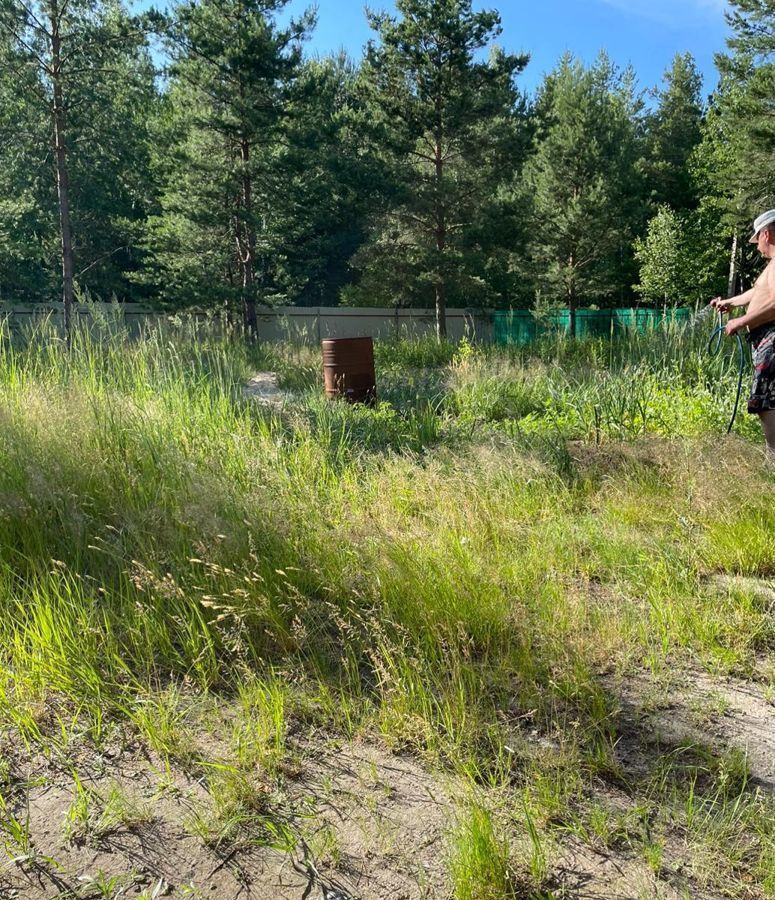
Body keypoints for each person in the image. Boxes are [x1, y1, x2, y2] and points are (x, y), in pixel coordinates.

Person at [711, 209, 775, 451]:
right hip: (765, 338)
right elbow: (758, 294)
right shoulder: (772, 266)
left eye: (757, 238)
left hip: (771, 338)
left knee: (766, 402)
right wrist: (731, 302)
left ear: (766, 235)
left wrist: (739, 322)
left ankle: (772, 461)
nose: (756, 245)